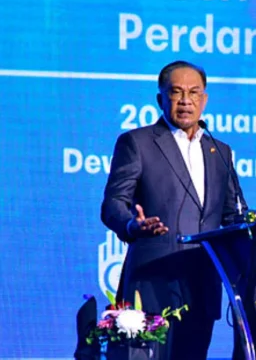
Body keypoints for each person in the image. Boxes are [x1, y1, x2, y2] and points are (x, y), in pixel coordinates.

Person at [101, 60, 247, 359]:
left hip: (202, 283)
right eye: (176, 92)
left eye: (194, 93)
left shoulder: (220, 151)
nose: (185, 101)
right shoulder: (137, 142)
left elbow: (233, 214)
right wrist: (132, 226)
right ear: (161, 99)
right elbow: (113, 203)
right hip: (152, 282)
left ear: (204, 99)